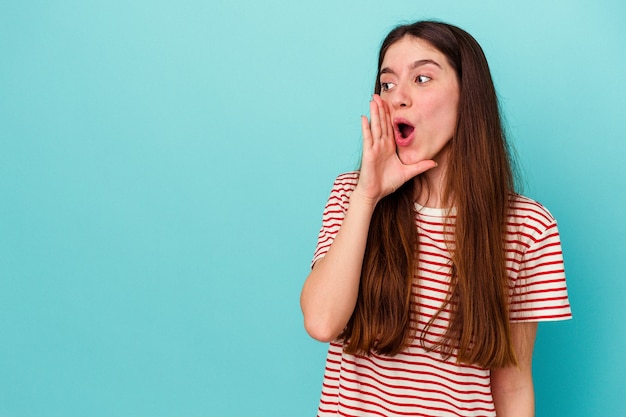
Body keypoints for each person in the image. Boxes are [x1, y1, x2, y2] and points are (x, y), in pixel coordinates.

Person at [300, 20, 572, 417]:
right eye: (387, 84)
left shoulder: (526, 227)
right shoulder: (351, 196)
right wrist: (368, 196)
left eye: (422, 78)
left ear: (469, 96)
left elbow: (512, 386)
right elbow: (322, 322)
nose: (398, 98)